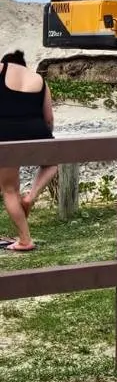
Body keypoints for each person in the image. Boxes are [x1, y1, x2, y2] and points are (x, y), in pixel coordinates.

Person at [0, 50, 55, 252]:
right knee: (52, 164)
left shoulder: (2, 69)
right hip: (36, 131)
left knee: (9, 190)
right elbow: (48, 118)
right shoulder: (38, 79)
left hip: (5, 134)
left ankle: (25, 240)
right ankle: (31, 196)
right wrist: (47, 139)